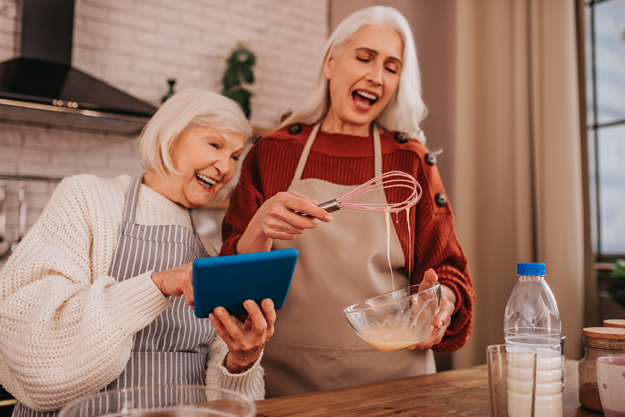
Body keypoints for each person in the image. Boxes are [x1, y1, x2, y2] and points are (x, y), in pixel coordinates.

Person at [221, 6, 475, 397]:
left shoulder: (410, 162)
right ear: (330, 61)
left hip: (395, 381)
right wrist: (259, 228)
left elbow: (450, 270)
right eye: (364, 57)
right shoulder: (271, 153)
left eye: (392, 67)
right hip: (285, 381)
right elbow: (229, 285)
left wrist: (443, 298)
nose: (376, 76)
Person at [0, 89, 275, 416]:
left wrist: (239, 362)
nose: (225, 168)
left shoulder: (208, 249)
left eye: (235, 156)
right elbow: (27, 334)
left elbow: (225, 400)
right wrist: (157, 284)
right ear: (170, 138)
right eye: (214, 145)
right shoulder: (86, 197)